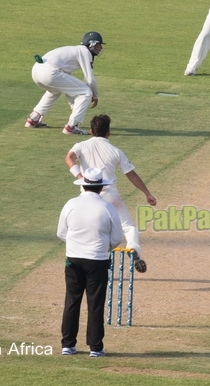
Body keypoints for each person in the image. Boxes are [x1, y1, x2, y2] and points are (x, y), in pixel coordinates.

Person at [65, 114, 156, 272]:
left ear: (91, 130)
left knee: (91, 230)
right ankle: (133, 248)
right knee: (128, 227)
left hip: (87, 197)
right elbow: (131, 175)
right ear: (109, 132)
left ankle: (95, 260)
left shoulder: (81, 145)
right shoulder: (115, 151)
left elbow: (69, 158)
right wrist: (147, 193)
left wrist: (80, 177)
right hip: (111, 196)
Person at [57, 167, 123, 358]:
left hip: (74, 259)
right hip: (97, 260)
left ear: (84, 185)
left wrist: (77, 245)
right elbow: (117, 237)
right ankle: (95, 347)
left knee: (72, 300)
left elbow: (61, 233)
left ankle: (67, 344)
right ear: (101, 187)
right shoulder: (107, 208)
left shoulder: (71, 204)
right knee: (95, 304)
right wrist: (102, 248)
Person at [26, 31, 105, 135]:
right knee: (86, 92)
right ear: (91, 44)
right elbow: (90, 79)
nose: (100, 48)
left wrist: (74, 106)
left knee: (55, 90)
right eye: (98, 45)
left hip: (36, 71)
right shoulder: (84, 52)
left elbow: (68, 87)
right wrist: (94, 95)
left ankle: (33, 119)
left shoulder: (72, 52)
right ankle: (71, 126)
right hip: (49, 72)